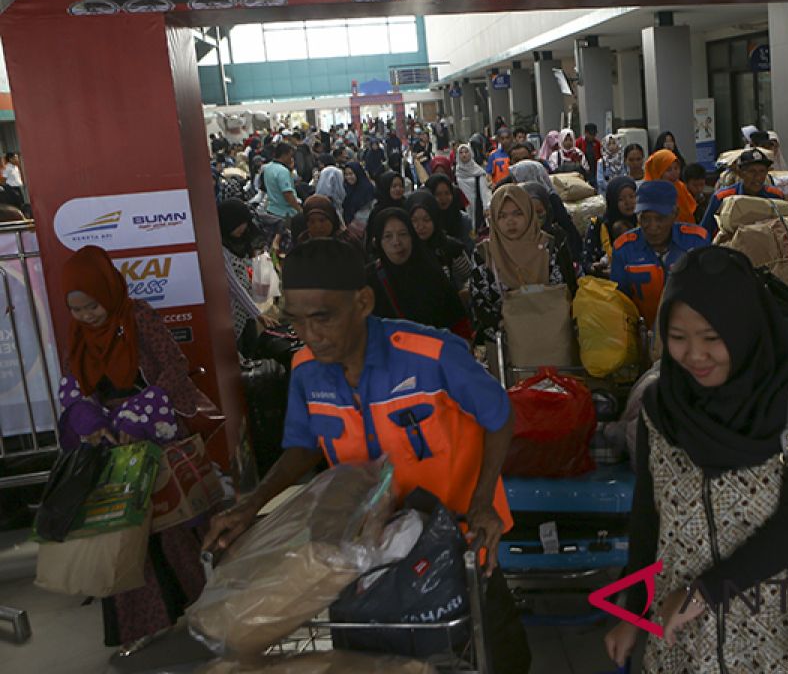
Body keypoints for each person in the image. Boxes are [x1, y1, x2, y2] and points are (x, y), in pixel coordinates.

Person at [203, 238, 530, 674]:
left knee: (483, 655)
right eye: (297, 322)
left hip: (458, 541)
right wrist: (252, 503)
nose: (310, 335)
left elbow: (498, 416)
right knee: (376, 661)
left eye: (323, 317)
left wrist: (484, 499)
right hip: (364, 550)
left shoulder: (432, 355)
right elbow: (304, 445)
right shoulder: (304, 370)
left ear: (362, 302)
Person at [605, 245, 788, 673]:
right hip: (682, 641)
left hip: (781, 635)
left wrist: (705, 592)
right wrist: (634, 611)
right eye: (678, 338)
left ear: (745, 328)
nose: (695, 356)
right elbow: (648, 518)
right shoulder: (661, 407)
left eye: (712, 338)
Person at [59, 245, 216, 648]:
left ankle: (206, 610)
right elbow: (74, 385)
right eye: (76, 310)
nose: (86, 316)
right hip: (110, 448)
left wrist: (138, 417)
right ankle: (144, 626)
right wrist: (89, 423)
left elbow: (172, 368)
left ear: (108, 291)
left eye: (92, 306)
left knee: (174, 528)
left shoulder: (138, 316)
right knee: (124, 537)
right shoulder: (78, 335)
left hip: (155, 437)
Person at [469, 184, 578, 344]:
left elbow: (565, 292)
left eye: (517, 213)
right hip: (506, 341)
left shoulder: (550, 246)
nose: (510, 221)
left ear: (529, 213)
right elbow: (480, 303)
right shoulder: (484, 254)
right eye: (502, 216)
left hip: (552, 335)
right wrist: (506, 325)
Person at [609, 180, 709, 325]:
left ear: (675, 214)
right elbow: (620, 302)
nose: (652, 227)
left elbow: (709, 293)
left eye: (660, 219)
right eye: (645, 218)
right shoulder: (624, 248)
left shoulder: (697, 241)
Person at [365, 208, 472, 341]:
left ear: (412, 237)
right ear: (378, 242)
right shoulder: (370, 281)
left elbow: (457, 321)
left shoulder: (431, 271)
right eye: (388, 236)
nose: (396, 242)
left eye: (403, 234)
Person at [218, 199, 272, 344]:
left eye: (245, 222)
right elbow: (234, 286)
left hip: (247, 311)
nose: (244, 227)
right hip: (234, 314)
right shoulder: (220, 249)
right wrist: (257, 314)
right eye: (239, 223)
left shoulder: (242, 242)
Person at [700, 147, 787, 238]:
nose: (757, 177)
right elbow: (705, 231)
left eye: (762, 171)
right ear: (741, 173)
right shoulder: (722, 197)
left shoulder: (775, 196)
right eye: (752, 171)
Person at [509, 160, 583, 260]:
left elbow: (566, 227)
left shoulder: (550, 198)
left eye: (516, 179)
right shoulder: (516, 200)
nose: (514, 184)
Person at [407, 191, 474, 294]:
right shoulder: (404, 250)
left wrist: (463, 293)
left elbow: (470, 277)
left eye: (426, 219)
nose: (420, 226)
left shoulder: (450, 247)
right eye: (414, 221)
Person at [519, 181, 581, 276]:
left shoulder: (558, 237)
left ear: (547, 210)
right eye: (529, 213)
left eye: (539, 212)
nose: (535, 218)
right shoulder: (515, 240)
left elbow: (569, 274)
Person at [581, 176, 638, 275]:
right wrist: (598, 268)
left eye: (632, 197)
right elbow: (587, 261)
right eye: (621, 199)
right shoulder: (599, 224)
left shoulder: (642, 222)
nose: (628, 202)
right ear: (613, 202)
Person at [645, 148, 697, 225]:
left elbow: (689, 213)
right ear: (658, 172)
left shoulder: (680, 187)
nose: (674, 173)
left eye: (676, 168)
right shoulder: (650, 193)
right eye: (668, 170)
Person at [425, 172, 474, 250]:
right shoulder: (425, 222)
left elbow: (469, 247)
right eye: (438, 194)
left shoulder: (464, 220)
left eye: (447, 193)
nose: (443, 198)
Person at [262, 142, 302, 227]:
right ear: (284, 155)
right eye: (290, 156)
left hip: (272, 209)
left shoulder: (267, 168)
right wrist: (299, 210)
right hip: (285, 213)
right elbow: (287, 194)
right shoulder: (282, 171)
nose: (291, 159)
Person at [456, 142, 492, 232]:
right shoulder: (456, 172)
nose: (464, 155)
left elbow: (484, 192)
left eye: (466, 152)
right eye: (461, 153)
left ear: (471, 153)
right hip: (462, 207)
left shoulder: (478, 172)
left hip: (476, 206)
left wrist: (486, 207)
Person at [341, 161, 374, 236]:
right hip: (348, 229)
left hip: (363, 229)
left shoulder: (367, 189)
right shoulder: (346, 188)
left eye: (351, 174)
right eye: (346, 174)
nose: (348, 177)